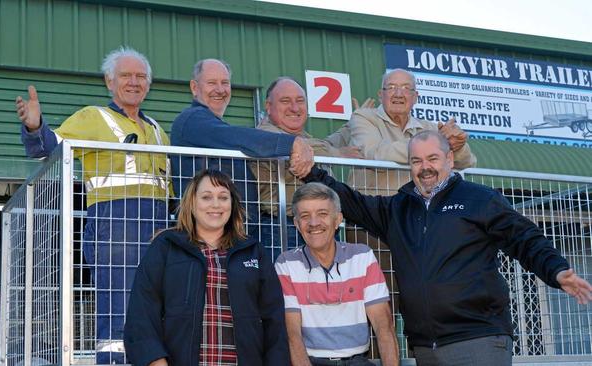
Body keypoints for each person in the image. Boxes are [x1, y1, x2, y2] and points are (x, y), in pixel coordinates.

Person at [300, 130, 592, 366]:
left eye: (433, 158)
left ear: (450, 159)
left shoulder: (479, 199)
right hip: (426, 348)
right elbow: (352, 203)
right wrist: (311, 172)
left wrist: (556, 270)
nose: (425, 168)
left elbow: (524, 238)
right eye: (416, 161)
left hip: (478, 341)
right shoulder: (398, 209)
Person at [15, 46, 172, 364]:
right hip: (114, 226)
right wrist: (35, 127)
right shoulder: (92, 117)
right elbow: (51, 147)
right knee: (118, 311)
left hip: (158, 228)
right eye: (125, 75)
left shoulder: (157, 130)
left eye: (141, 76)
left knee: (158, 306)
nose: (134, 82)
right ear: (109, 81)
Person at [124, 169, 289, 365]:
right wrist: (155, 362)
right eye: (206, 197)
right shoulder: (165, 247)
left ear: (232, 205)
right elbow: (141, 313)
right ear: (192, 204)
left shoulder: (253, 251)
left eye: (223, 197)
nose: (216, 204)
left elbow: (274, 322)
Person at [169, 59, 314, 250]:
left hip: (231, 235)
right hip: (208, 238)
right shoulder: (191, 120)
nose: (220, 90)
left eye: (225, 83)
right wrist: (291, 143)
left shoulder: (213, 125)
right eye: (212, 83)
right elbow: (237, 137)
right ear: (195, 87)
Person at [275, 182, 399, 366]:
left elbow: (384, 326)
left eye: (322, 214)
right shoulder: (286, 264)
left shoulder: (362, 256)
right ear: (297, 224)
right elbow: (292, 334)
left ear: (338, 220)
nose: (314, 223)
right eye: (305, 216)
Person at [253, 77, 363, 253]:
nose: (295, 108)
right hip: (284, 228)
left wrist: (355, 123)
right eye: (285, 101)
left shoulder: (303, 136)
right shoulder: (266, 134)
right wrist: (337, 154)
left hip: (318, 227)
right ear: (268, 106)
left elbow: (323, 144)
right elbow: (309, 149)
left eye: (300, 101)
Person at [348, 68, 476, 195]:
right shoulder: (363, 117)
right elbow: (375, 153)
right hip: (377, 208)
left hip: (421, 208)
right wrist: (435, 144)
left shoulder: (429, 128)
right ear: (381, 95)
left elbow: (467, 163)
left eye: (406, 88)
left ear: (415, 97)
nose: (398, 94)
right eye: (391, 87)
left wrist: (457, 145)